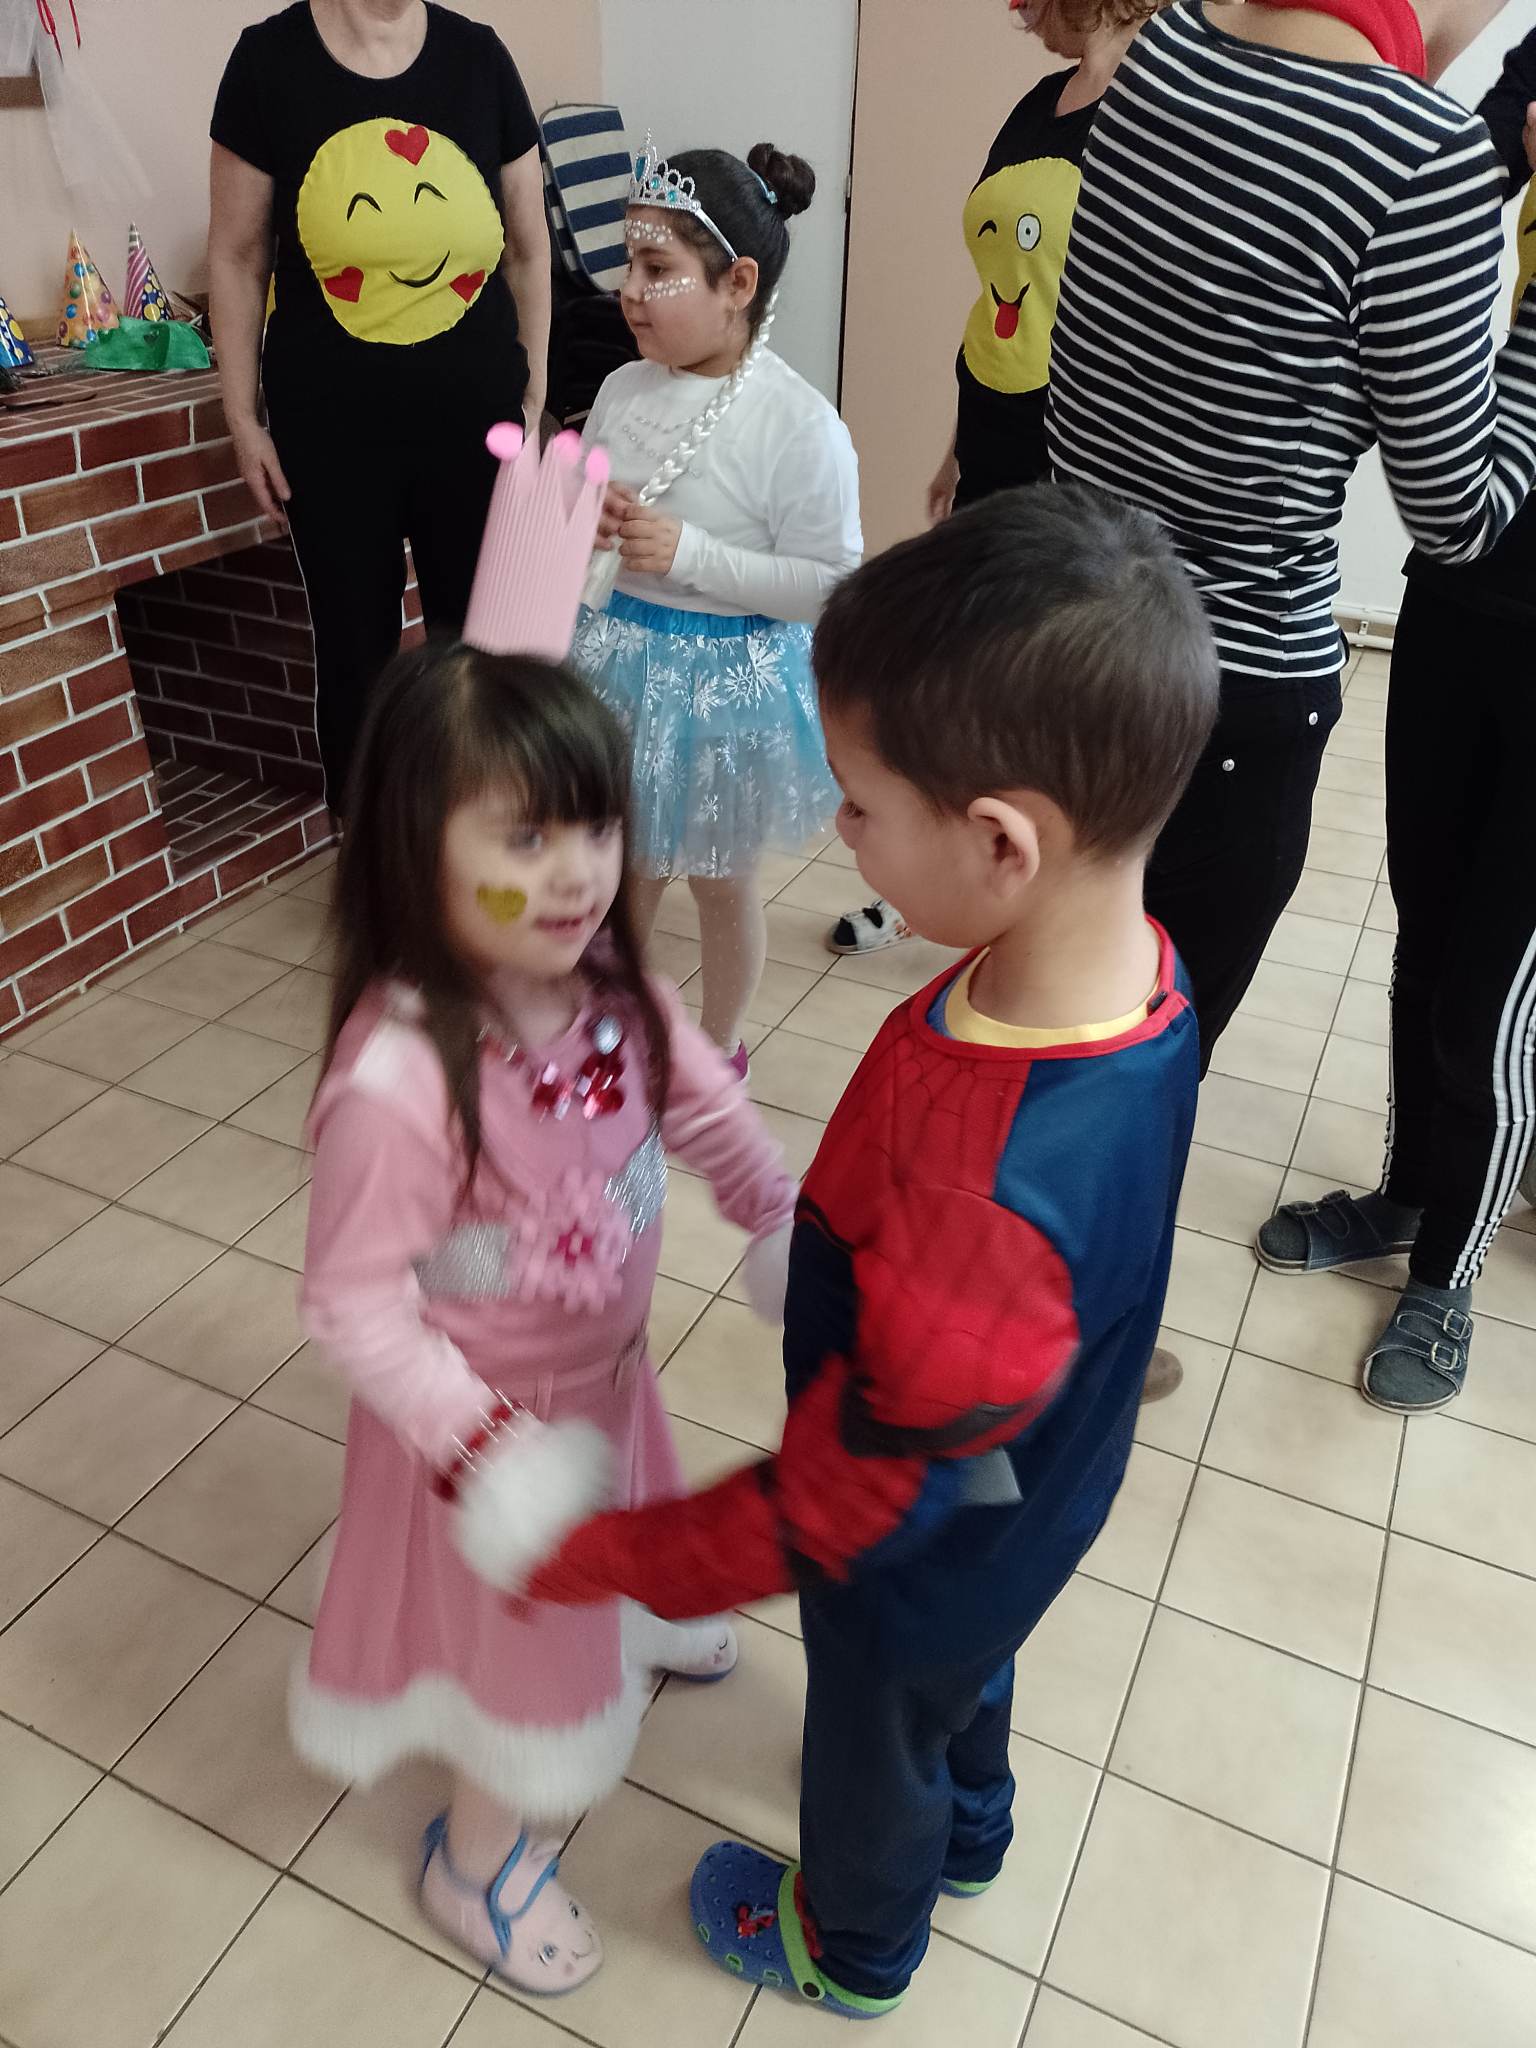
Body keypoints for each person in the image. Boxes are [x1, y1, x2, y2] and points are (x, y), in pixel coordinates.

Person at [502, 485, 1220, 2019]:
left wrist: (622, 1557)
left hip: (923, 1519)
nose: (840, 829)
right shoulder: (1139, 980)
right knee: (967, 1668)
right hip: (1029, 1479)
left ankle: (855, 1943)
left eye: (859, 803)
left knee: (876, 1721)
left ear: (1002, 841)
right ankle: (975, 1830)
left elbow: (843, 1503)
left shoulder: (985, 1185)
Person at [291, 632, 797, 1987]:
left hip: (610, 1385)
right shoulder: (399, 1081)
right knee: (522, 1663)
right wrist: (485, 1449)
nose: (576, 871)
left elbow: (706, 1102)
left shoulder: (614, 992)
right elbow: (351, 1304)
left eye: (593, 826)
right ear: (416, 852)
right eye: (525, 838)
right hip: (487, 1443)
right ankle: (477, 1862)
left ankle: (639, 1612)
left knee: (626, 1531)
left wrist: (774, 1212)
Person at [1047, 0, 1536, 1067]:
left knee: (1044, 1028)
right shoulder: (1424, 158)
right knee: (1131, 1080)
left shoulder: (1169, 44)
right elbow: (1459, 518)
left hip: (1060, 637)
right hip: (1223, 694)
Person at [1256, 28, 1536, 1413]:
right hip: (1463, 593)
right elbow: (1459, 165)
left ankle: (1448, 1272)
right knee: (1423, 935)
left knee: (1494, 992)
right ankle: (1411, 1192)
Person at [829, 0, 1166, 962]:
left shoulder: (1166, 102)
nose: (1014, 9)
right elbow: (1001, 290)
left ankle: (1045, 902)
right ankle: (940, 876)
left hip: (1086, 446)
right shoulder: (1039, 104)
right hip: (994, 426)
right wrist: (955, 445)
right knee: (970, 665)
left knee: (1049, 682)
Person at [208, 0, 552, 815]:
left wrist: (535, 392)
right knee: (356, 658)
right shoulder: (267, 63)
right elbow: (237, 255)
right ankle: (374, 860)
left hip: (477, 422)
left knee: (484, 654)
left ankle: (484, 845)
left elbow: (529, 249)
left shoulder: (481, 59)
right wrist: (242, 419)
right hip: (328, 432)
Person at [572, 139, 862, 1070]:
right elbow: (590, 520)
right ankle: (615, 1035)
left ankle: (718, 1045)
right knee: (625, 873)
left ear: (737, 283)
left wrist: (691, 554)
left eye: (656, 268)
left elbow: (829, 584)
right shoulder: (619, 389)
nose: (629, 290)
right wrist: (589, 521)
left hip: (724, 684)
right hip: (619, 663)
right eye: (628, 262)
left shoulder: (798, 424)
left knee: (719, 882)